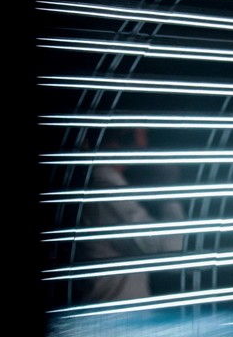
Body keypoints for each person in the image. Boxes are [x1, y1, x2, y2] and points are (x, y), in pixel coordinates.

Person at [74, 128, 185, 303]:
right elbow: (172, 250)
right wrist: (169, 197)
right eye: (144, 133)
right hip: (110, 321)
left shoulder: (106, 186)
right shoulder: (106, 192)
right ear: (124, 138)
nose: (147, 144)